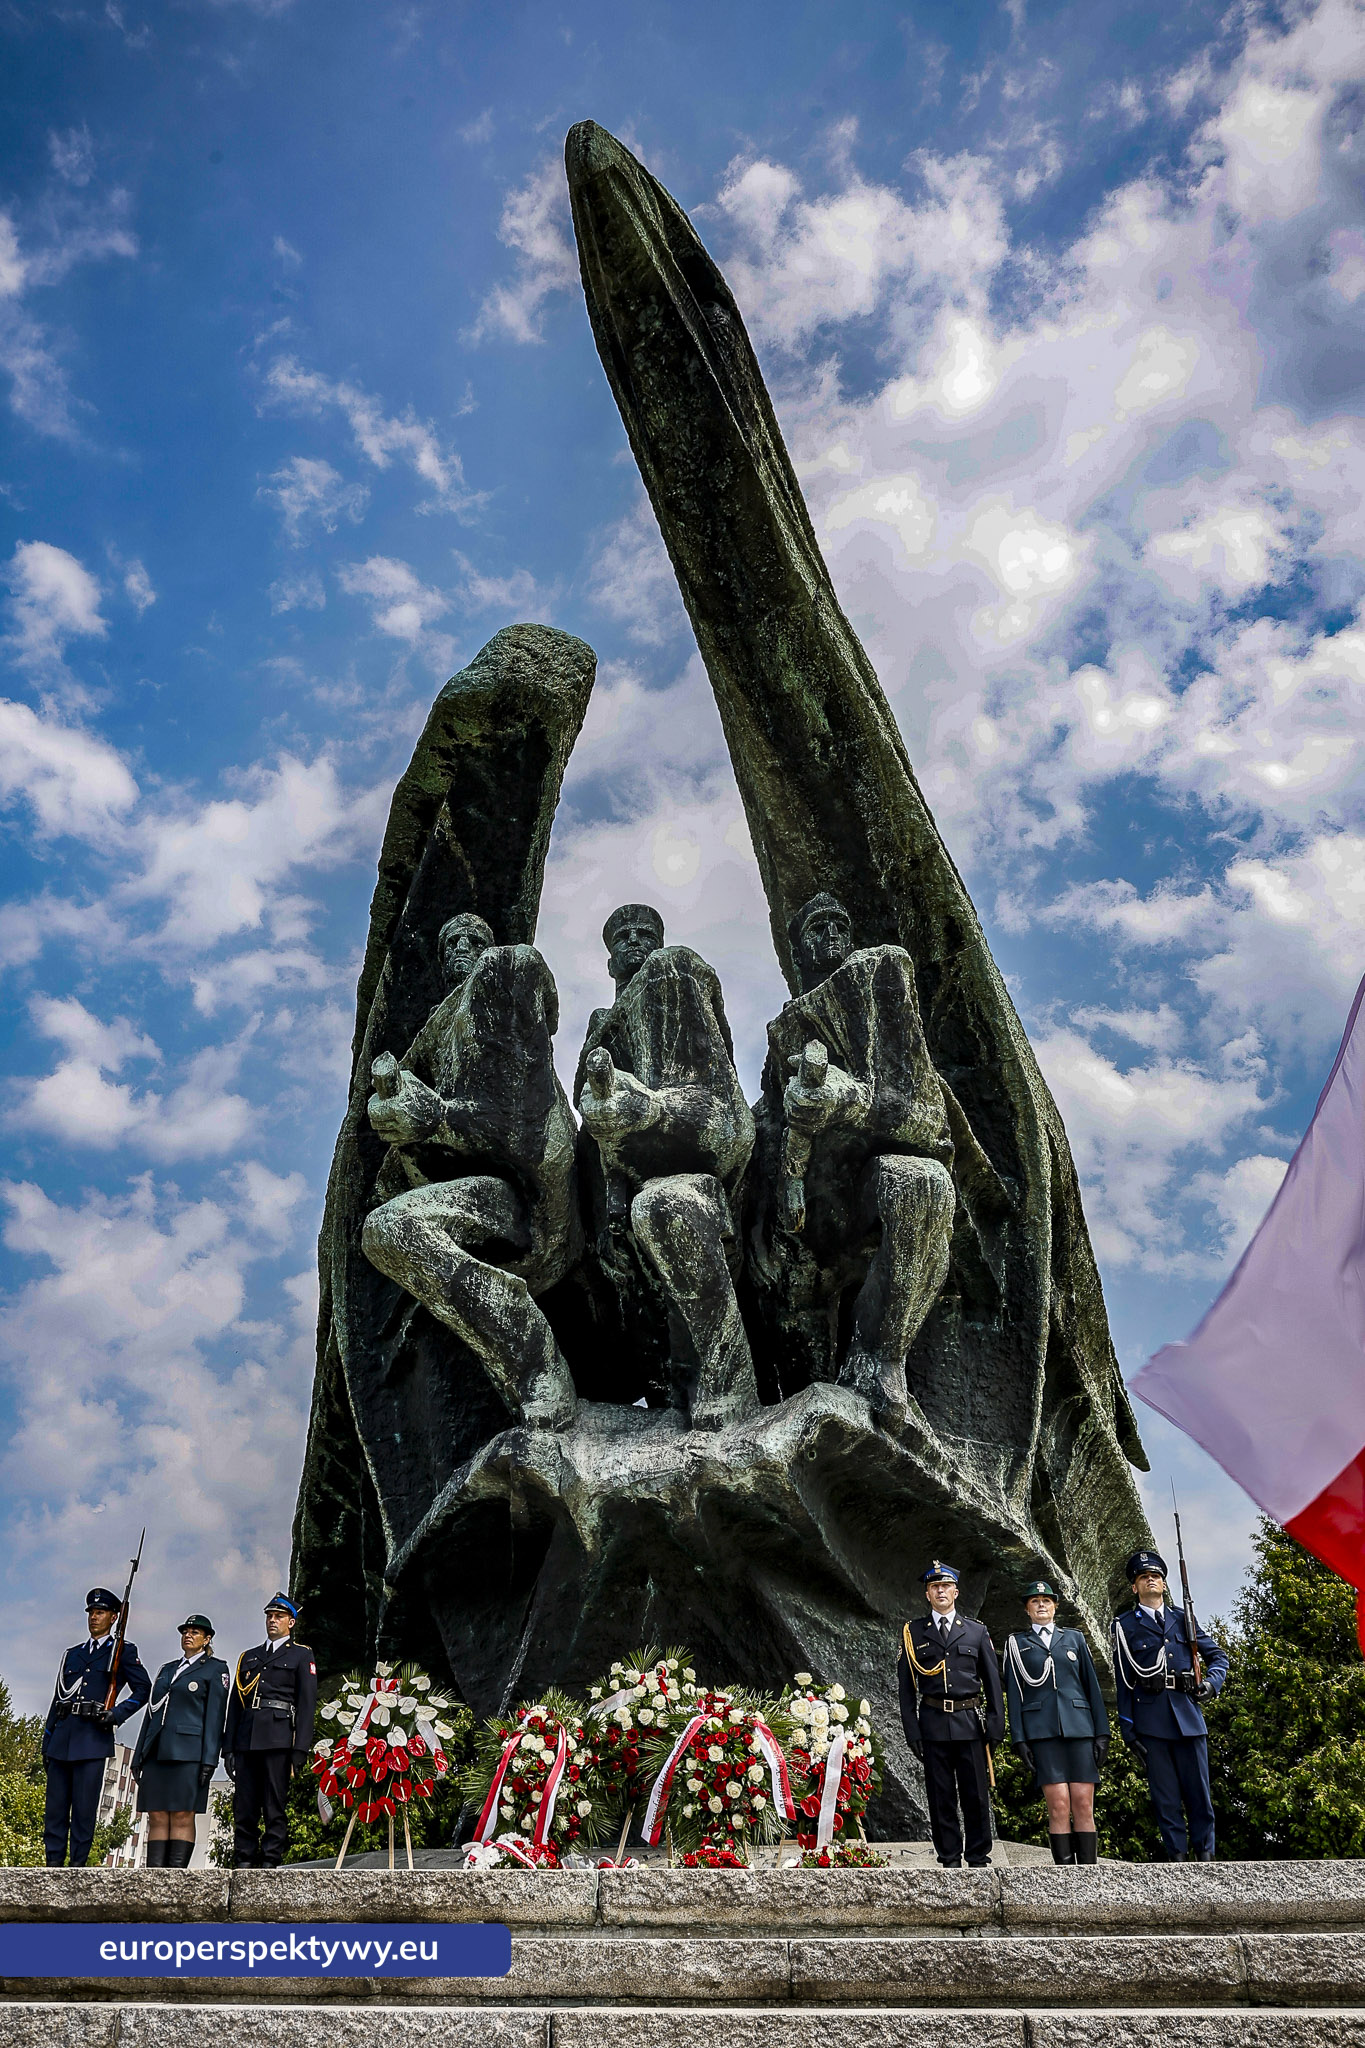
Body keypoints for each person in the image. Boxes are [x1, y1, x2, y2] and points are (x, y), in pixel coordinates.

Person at [1113, 1547, 1228, 1862]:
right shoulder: (1123, 1626)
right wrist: (1128, 1728)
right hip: (1151, 1720)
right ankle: (1176, 1856)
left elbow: (1218, 1656)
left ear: (1163, 1584)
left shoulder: (1183, 1618)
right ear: (1134, 1587)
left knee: (1200, 1795)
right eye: (1143, 1577)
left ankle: (1206, 1854)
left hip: (1188, 1715)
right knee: (1165, 1799)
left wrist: (1211, 1684)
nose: (1150, 1581)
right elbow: (1123, 1679)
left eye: (1156, 1577)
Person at [897, 1561, 1005, 1868]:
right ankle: (949, 1858)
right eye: (934, 1587)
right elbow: (906, 1689)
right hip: (932, 1723)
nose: (940, 1591)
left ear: (955, 1592)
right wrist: (912, 1732)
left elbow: (993, 1683)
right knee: (940, 1796)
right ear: (927, 1595)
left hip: (969, 1723)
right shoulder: (914, 1632)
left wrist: (996, 1726)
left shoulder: (975, 1631)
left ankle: (978, 1857)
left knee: (976, 1795)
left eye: (945, 1586)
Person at [42, 1586, 151, 1868]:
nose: (93, 1617)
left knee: (83, 1810)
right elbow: (58, 1699)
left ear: (114, 1617)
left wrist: (115, 1714)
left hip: (92, 1738)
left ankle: (77, 1867)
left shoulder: (123, 1651)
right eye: (91, 1612)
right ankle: (52, 1865)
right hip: (63, 1738)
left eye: (100, 1612)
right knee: (54, 1811)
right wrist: (47, 1740)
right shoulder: (72, 1654)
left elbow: (143, 1689)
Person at [1003, 1579, 1109, 1865]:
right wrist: (1019, 1738)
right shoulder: (1017, 1644)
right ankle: (1064, 1877)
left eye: (1047, 1601)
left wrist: (1102, 1734)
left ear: (1055, 1606)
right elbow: (1014, 1694)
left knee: (1084, 1804)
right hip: (1043, 1732)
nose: (1041, 1605)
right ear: (1027, 1609)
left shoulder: (1074, 1638)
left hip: (1079, 1728)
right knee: (1059, 1805)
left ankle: (1088, 1875)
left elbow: (1092, 1688)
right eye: (1035, 1601)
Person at [223, 1593, 318, 1868]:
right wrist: (228, 1747)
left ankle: (270, 1858)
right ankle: (244, 1857)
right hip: (247, 1738)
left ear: (292, 1622)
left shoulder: (301, 1655)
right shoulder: (249, 1657)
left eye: (278, 1616)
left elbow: (306, 1704)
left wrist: (300, 1747)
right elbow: (236, 1707)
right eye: (269, 1616)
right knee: (244, 1804)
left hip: (278, 1737)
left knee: (274, 1804)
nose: (272, 1621)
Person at [132, 1613, 229, 1868]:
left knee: (183, 1815)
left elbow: (215, 1717)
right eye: (185, 1631)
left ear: (207, 1639)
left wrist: (210, 1759)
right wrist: (139, 1753)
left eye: (195, 1632)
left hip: (189, 1753)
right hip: (156, 1751)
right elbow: (151, 1713)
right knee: (157, 1814)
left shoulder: (215, 1668)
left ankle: (175, 1878)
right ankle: (154, 1878)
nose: (188, 1635)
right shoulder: (167, 1669)